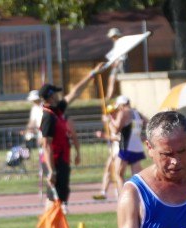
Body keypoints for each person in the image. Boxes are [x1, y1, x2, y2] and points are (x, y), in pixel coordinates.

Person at [38, 69, 99, 209]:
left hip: (62, 159)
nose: (59, 96)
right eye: (55, 93)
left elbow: (75, 93)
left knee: (62, 195)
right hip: (54, 161)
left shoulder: (57, 111)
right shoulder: (47, 117)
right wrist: (51, 170)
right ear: (51, 96)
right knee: (54, 198)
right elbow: (46, 145)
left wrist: (91, 74)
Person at [110, 95, 146, 190]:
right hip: (137, 148)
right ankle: (138, 195)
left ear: (121, 105)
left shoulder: (123, 113)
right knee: (136, 177)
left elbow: (116, 130)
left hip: (126, 147)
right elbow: (148, 123)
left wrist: (109, 122)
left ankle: (123, 197)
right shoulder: (137, 113)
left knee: (119, 174)